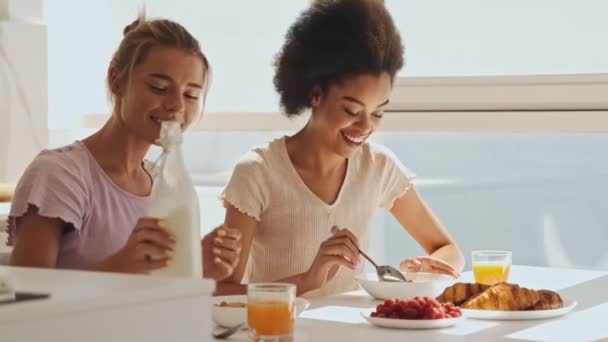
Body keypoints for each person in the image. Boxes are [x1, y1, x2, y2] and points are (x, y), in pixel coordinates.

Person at [216, 0, 464, 297]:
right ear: (315, 95)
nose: (365, 127)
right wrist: (308, 280)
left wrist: (426, 266)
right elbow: (223, 293)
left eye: (378, 113)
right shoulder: (257, 173)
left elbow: (449, 250)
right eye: (351, 110)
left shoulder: (378, 167)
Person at [8, 16, 241, 281]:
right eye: (159, 87)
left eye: (191, 95)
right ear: (116, 80)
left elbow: (155, 295)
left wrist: (197, 268)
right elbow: (26, 299)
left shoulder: (164, 186)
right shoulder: (59, 175)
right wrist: (122, 264)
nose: (177, 105)